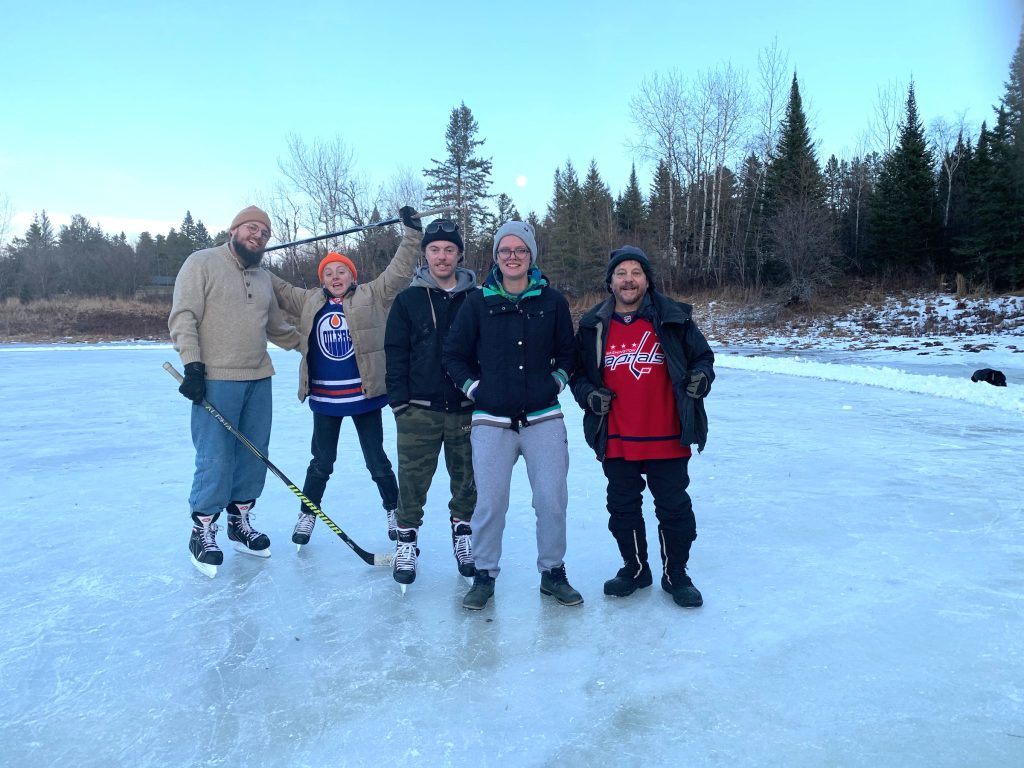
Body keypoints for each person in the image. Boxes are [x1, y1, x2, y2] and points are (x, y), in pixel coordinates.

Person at [443, 220, 581, 610]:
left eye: (520, 250)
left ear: (531, 255)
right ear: (496, 257)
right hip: (491, 420)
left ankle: (553, 572)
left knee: (552, 499)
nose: (513, 256)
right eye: (505, 250)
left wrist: (555, 382)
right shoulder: (477, 301)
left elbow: (569, 354)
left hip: (543, 417)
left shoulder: (551, 301)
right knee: (489, 503)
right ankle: (484, 575)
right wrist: (475, 389)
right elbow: (453, 355)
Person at [570, 245, 715, 608]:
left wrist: (701, 377)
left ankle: (675, 573)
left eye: (636, 272)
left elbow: (702, 358)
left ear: (647, 279)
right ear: (611, 281)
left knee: (674, 507)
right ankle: (635, 569)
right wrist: (589, 396)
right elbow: (578, 376)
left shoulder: (673, 317)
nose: (629, 279)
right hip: (617, 434)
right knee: (622, 506)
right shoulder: (592, 325)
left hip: (667, 432)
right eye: (621, 273)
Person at [270, 207, 421, 549]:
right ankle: (308, 513)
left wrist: (412, 235)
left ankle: (394, 512)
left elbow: (398, 272)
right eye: (329, 273)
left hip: (364, 395)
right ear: (321, 280)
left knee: (377, 460)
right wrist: (250, 262)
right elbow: (277, 288)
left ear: (352, 276)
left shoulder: (371, 295)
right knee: (321, 463)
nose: (335, 276)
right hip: (325, 399)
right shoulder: (309, 301)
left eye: (342, 271)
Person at [169, 205, 301, 577]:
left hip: (259, 377)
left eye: (264, 234)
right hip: (216, 378)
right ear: (234, 230)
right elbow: (183, 316)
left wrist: (316, 346)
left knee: (254, 454)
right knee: (215, 457)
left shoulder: (262, 277)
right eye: (251, 229)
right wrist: (192, 364)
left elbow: (277, 327)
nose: (257, 237)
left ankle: (238, 523)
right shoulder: (201, 262)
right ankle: (202, 530)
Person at [384, 219, 477, 587]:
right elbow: (395, 353)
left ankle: (463, 536)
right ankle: (407, 542)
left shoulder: (477, 297)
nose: (442, 256)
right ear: (425, 254)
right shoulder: (408, 300)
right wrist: (398, 404)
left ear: (459, 255)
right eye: (435, 249)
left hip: (465, 409)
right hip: (418, 410)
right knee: (412, 482)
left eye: (449, 249)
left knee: (467, 480)